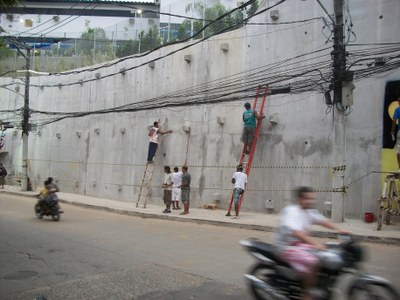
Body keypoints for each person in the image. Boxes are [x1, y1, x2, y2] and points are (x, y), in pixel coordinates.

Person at [274, 186, 349, 300]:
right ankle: (306, 293)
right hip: (286, 247)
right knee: (313, 261)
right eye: (307, 198)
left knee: (327, 252)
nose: (310, 201)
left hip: (298, 245)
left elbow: (322, 221)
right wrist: (315, 244)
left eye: (312, 198)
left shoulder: (309, 211)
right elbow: (297, 233)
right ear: (300, 199)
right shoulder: (292, 211)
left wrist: (339, 229)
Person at [391, 97, 400, 170]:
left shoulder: (398, 110)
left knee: (399, 150)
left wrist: (393, 130)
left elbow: (394, 120)